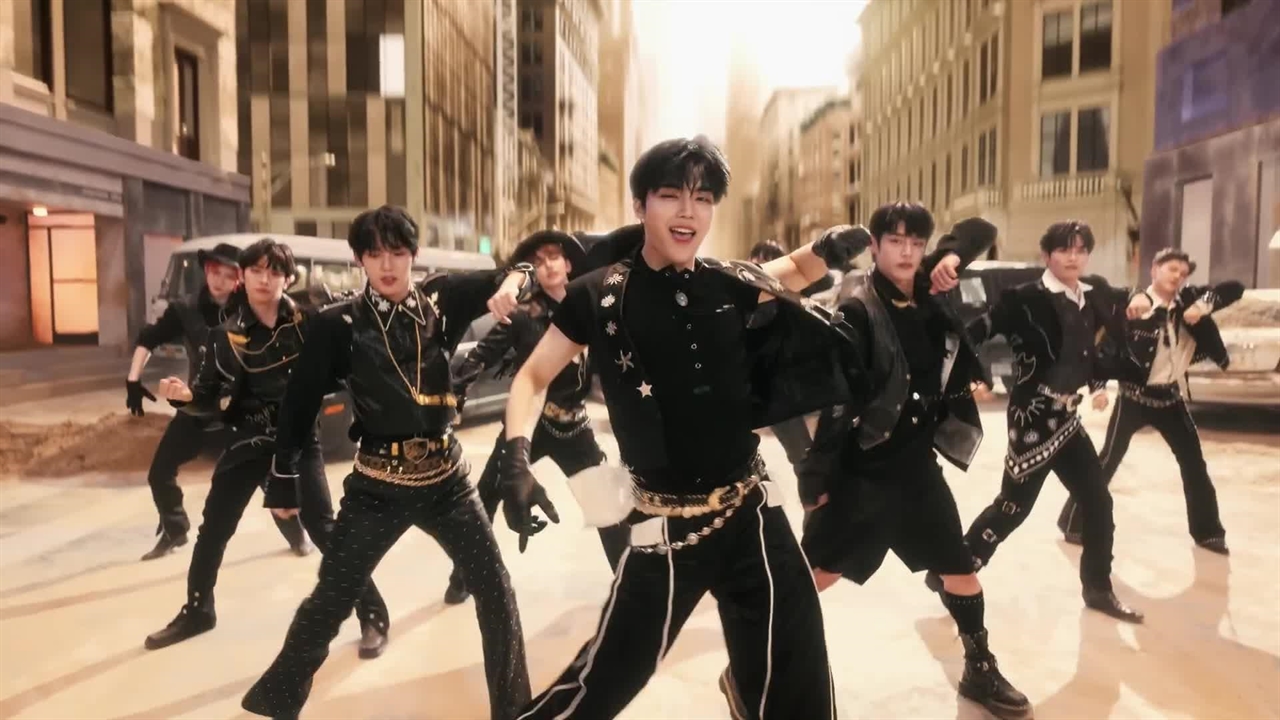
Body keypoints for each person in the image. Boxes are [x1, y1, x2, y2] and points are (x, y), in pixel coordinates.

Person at [497, 136, 868, 719]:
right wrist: (516, 459)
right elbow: (533, 377)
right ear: (641, 204)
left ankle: (749, 692)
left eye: (703, 198)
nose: (688, 211)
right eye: (671, 195)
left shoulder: (726, 280)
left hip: (751, 512)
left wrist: (827, 247)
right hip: (664, 529)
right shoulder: (598, 296)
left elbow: (793, 270)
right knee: (599, 686)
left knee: (799, 669)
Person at [241, 206, 536, 720]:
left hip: (448, 482)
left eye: (397, 252)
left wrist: (512, 283)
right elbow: (299, 405)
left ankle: (513, 711)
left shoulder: (441, 300)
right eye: (374, 253)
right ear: (360, 259)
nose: (386, 265)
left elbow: (520, 268)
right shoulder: (338, 324)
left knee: (495, 589)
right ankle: (275, 702)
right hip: (376, 486)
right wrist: (283, 480)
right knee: (330, 600)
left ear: (413, 256)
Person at [796, 203, 1032, 720]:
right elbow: (837, 403)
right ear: (875, 247)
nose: (906, 252)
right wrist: (816, 477)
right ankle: (757, 663)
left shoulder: (927, 289)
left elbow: (982, 228)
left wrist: (951, 256)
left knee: (961, 570)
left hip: (919, 471)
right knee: (815, 577)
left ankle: (980, 669)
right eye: (895, 241)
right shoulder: (858, 310)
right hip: (865, 474)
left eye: (916, 243)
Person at [143, 238, 389, 656]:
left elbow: (345, 369)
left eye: (274, 272)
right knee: (213, 529)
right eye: (256, 270)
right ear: (243, 276)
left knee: (325, 528)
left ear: (287, 279)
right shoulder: (223, 336)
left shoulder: (311, 325)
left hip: (298, 443)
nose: (264, 279)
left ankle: (372, 612)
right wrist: (185, 398)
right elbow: (208, 399)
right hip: (246, 441)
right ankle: (199, 611)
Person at [960, 221, 1145, 623]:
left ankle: (1098, 588)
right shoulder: (1024, 299)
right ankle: (956, 572)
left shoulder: (1093, 296)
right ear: (1047, 256)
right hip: (1032, 415)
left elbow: (1126, 304)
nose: (1073, 257)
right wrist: (973, 376)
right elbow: (975, 331)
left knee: (1098, 501)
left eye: (1080, 250)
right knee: (1013, 507)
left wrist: (1140, 300)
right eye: (1064, 250)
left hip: (1068, 417)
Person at [442, 230, 629, 605]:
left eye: (553, 257)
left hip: (575, 428)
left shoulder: (591, 306)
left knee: (606, 507)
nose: (547, 266)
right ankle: (462, 576)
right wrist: (454, 397)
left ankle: (630, 582)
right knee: (484, 498)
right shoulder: (524, 315)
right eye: (539, 261)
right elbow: (480, 356)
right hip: (530, 425)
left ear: (569, 263)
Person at [126, 242, 309, 561]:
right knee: (160, 471)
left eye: (228, 274)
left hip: (242, 410)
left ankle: (295, 533)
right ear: (206, 272)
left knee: (266, 477)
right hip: (199, 403)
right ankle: (174, 529)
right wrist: (132, 380)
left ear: (239, 278)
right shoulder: (186, 310)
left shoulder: (253, 306)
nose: (220, 280)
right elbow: (148, 338)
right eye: (214, 272)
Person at [1056, 248, 1243, 554]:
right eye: (1172, 269)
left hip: (1170, 398)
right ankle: (1074, 523)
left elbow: (1235, 288)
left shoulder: (1190, 302)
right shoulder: (1133, 307)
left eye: (1183, 273)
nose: (1178, 276)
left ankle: (1208, 532)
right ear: (1154, 270)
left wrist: (1203, 305)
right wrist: (1099, 388)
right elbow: (1107, 350)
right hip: (1133, 397)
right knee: (1107, 460)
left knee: (1194, 464)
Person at [746, 239, 837, 471]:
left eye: (772, 262)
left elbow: (827, 278)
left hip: (785, 380)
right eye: (759, 263)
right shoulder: (742, 295)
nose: (765, 270)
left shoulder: (787, 290)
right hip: (761, 383)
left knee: (804, 451)